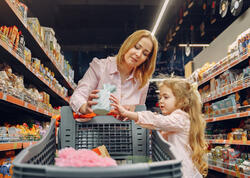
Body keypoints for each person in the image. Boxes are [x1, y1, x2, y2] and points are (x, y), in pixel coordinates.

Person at [110, 77, 208, 178]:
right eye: (160, 97)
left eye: (166, 97)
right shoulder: (178, 119)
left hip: (182, 172)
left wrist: (127, 113)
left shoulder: (180, 118)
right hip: (179, 170)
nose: (161, 101)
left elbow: (157, 120)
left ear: (182, 100)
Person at [70, 29, 158, 116]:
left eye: (145, 54)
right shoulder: (100, 67)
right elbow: (77, 96)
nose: (138, 54)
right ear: (128, 44)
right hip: (96, 128)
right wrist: (85, 107)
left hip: (127, 130)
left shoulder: (142, 82)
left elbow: (139, 115)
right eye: (137, 47)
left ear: (147, 60)